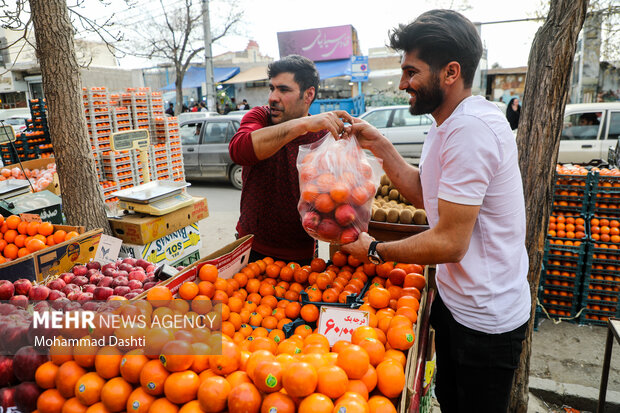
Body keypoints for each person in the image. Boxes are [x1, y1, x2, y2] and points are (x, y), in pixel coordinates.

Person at [340, 10, 530, 412]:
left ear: (450, 72)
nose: (403, 83)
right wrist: (379, 145)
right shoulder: (447, 123)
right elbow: (424, 192)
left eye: (412, 71)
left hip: (485, 322)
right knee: (448, 398)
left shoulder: (471, 129)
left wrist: (375, 250)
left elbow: (450, 242)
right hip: (456, 301)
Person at [229, 55, 352, 265]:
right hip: (250, 249)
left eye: (283, 90)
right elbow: (240, 150)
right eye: (272, 88)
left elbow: (334, 202)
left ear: (308, 94)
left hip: (301, 257)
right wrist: (302, 125)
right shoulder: (259, 117)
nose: (272, 97)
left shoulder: (324, 137)